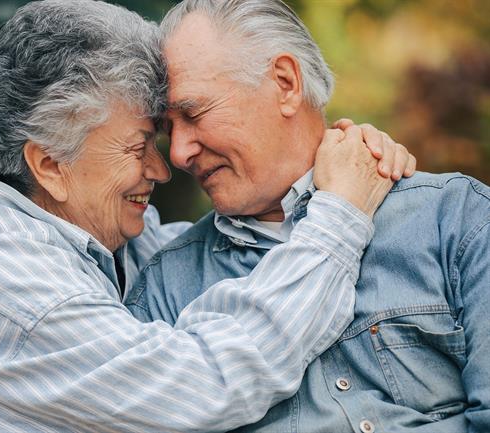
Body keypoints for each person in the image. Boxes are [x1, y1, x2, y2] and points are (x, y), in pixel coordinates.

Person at [0, 1, 413, 432]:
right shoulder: (1, 275)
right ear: (50, 164)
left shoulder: (58, 218)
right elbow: (207, 385)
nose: (165, 165)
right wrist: (340, 217)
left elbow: (213, 251)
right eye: (137, 146)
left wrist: (340, 167)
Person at [126, 1, 490, 432]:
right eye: (170, 130)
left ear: (285, 83)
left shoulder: (454, 217)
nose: (181, 153)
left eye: (194, 113)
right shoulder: (167, 289)